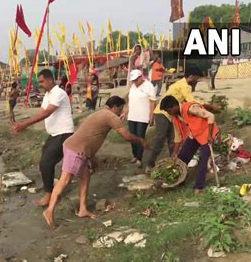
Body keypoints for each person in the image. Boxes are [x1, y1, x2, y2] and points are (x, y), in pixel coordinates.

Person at [42, 96, 147, 228]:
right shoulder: (110, 116)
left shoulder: (102, 113)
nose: (121, 112)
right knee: (65, 180)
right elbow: (126, 136)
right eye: (120, 109)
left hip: (80, 149)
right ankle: (49, 211)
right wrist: (141, 141)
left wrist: (92, 157)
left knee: (85, 176)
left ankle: (82, 209)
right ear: (114, 107)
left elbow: (92, 135)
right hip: (76, 150)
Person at [12, 69, 74, 206]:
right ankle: (55, 185)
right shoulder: (47, 95)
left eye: (42, 81)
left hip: (64, 133)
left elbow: (47, 112)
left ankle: (49, 194)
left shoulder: (58, 93)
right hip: (54, 134)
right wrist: (24, 125)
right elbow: (41, 112)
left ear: (50, 79)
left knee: (46, 162)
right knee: (44, 161)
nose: (40, 84)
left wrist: (25, 124)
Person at [145, 66, 216, 171]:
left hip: (172, 115)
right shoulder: (184, 86)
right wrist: (210, 107)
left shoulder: (181, 84)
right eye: (196, 78)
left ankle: (174, 165)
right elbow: (192, 102)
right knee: (160, 138)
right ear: (191, 76)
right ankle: (150, 164)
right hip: (162, 113)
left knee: (173, 140)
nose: (197, 81)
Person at [160, 95, 219, 194]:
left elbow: (211, 116)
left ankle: (199, 187)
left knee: (203, 161)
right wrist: (175, 153)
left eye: (168, 110)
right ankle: (178, 181)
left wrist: (209, 135)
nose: (168, 113)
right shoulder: (175, 117)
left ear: (173, 107)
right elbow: (178, 136)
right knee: (181, 159)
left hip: (206, 134)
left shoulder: (191, 108)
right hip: (194, 136)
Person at [120, 70, 156, 167]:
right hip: (132, 116)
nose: (134, 82)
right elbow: (130, 102)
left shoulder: (149, 86)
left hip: (143, 116)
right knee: (132, 137)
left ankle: (139, 158)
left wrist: (151, 116)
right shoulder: (132, 87)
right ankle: (135, 155)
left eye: (136, 80)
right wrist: (125, 112)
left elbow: (153, 102)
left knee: (140, 136)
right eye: (133, 80)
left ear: (141, 77)